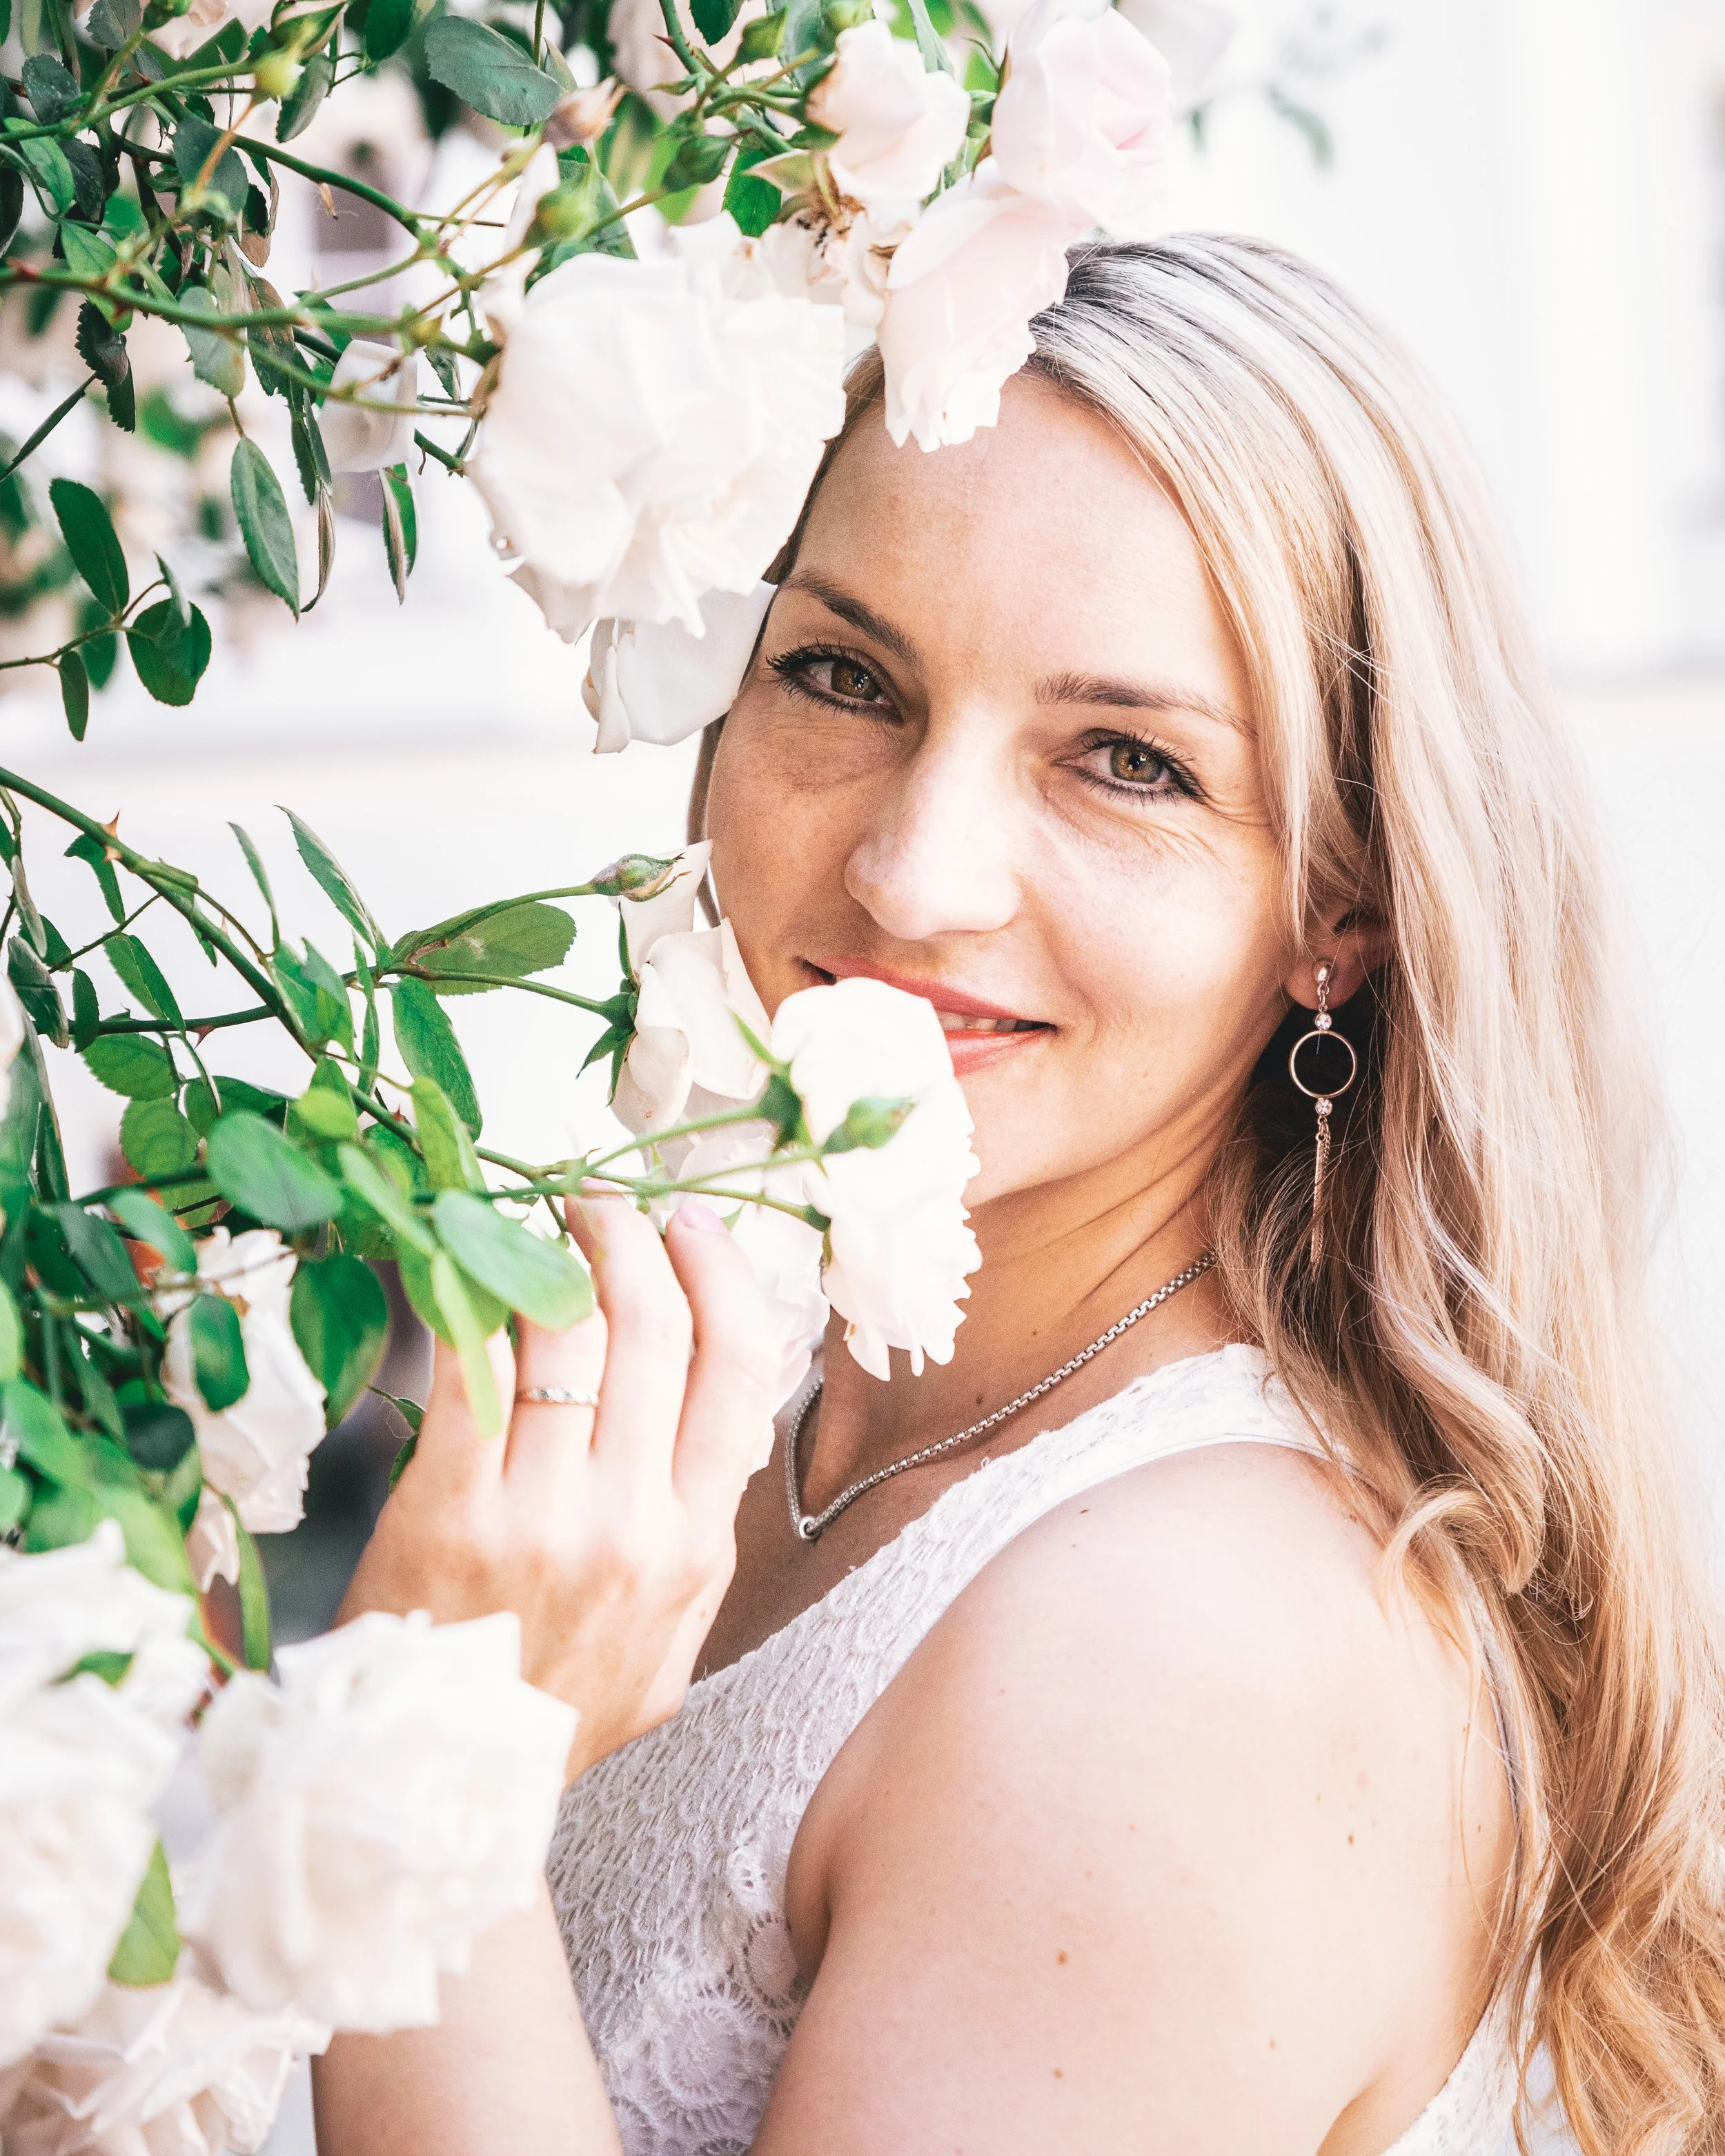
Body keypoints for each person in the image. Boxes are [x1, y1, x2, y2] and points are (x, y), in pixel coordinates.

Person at [313, 238, 1725, 2155]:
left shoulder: (1186, 1653)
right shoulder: (768, 1376)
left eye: (1124, 761)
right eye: (840, 673)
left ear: (1339, 905)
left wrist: (428, 1796)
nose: (912, 872)